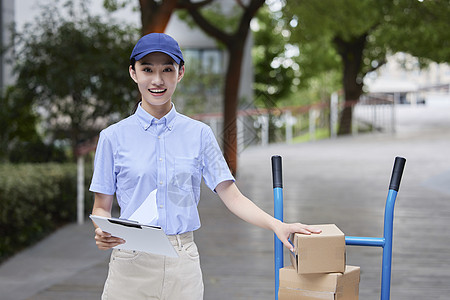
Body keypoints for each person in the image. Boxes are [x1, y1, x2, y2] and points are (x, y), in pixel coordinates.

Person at [90, 32, 321, 300]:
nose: (157, 79)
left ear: (180, 73)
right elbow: (101, 206)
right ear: (133, 73)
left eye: (167, 69)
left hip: (182, 263)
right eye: (147, 69)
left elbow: (232, 196)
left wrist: (276, 224)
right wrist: (102, 230)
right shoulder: (112, 137)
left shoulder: (199, 134)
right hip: (130, 263)